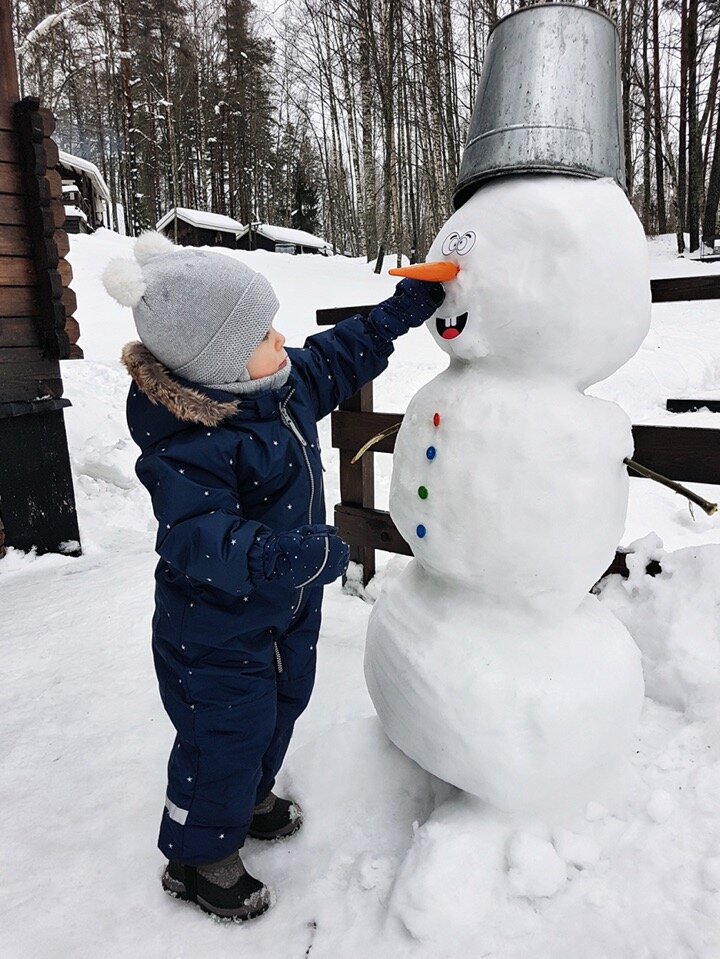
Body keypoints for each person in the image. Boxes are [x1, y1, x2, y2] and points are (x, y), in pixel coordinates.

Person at [102, 232, 444, 922]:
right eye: (261, 331)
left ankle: (249, 797)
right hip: (214, 630)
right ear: (217, 361)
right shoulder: (189, 443)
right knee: (223, 734)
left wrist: (395, 313)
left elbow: (337, 357)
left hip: (281, 614)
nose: (281, 336)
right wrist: (273, 556)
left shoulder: (276, 387)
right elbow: (195, 536)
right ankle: (196, 858)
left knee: (282, 705)